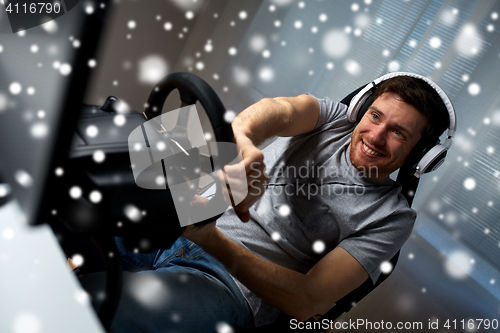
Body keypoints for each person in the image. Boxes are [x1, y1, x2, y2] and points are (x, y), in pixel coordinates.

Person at [79, 74, 450, 332]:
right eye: (375, 116)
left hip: (227, 285)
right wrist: (244, 143)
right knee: (74, 197)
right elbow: (278, 109)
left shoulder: (393, 218)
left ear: (420, 155)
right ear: (363, 109)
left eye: (398, 132)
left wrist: (210, 239)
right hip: (190, 211)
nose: (376, 135)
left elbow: (308, 302)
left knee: (90, 303)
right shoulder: (334, 119)